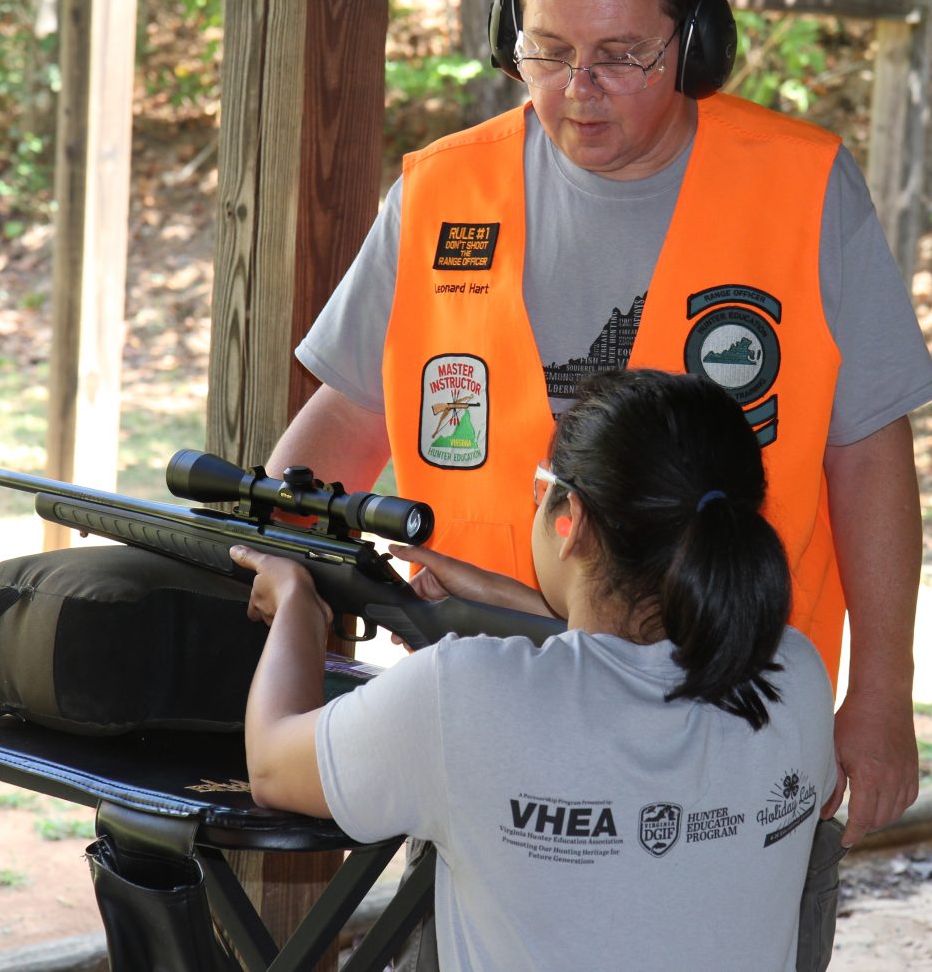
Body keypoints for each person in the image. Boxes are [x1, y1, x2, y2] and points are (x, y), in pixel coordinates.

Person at [267, 0, 932, 848]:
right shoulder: (442, 193)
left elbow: (868, 451)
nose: (579, 88)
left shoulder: (803, 188)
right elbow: (349, 416)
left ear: (695, 44)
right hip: (491, 722)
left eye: (622, 55)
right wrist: (273, 539)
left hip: (733, 727)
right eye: (548, 51)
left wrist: (881, 692)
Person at [236, 369, 838, 970]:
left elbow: (270, 763)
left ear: (572, 521)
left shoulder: (463, 694)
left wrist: (297, 607)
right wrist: (515, 605)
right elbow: (631, 675)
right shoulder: (796, 676)